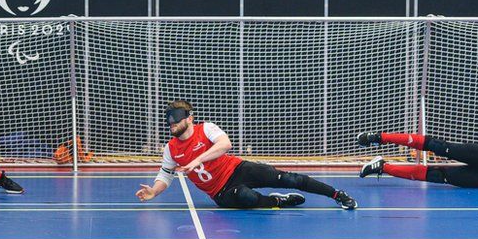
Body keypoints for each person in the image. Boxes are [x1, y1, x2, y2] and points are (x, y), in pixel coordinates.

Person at [135, 100, 357, 209]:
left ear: (189, 118)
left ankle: (337, 195)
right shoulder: (171, 148)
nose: (171, 123)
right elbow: (165, 175)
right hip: (221, 192)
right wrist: (154, 191)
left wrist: (197, 159)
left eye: (176, 119)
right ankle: (278, 201)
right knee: (247, 198)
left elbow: (225, 144)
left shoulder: (207, 129)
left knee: (289, 178)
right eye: (169, 120)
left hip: (238, 169)